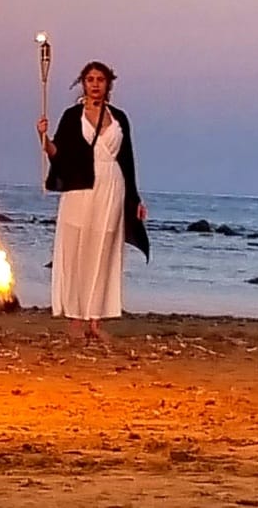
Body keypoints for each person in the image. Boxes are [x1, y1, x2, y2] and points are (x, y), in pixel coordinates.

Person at [36, 60, 148, 343]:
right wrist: (43, 137)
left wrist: (135, 198)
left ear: (108, 84)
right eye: (90, 79)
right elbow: (57, 154)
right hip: (80, 188)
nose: (95, 84)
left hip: (112, 186)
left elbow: (128, 161)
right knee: (77, 249)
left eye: (100, 79)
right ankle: (75, 318)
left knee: (103, 251)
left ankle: (95, 320)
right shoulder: (72, 115)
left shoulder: (120, 117)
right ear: (83, 83)